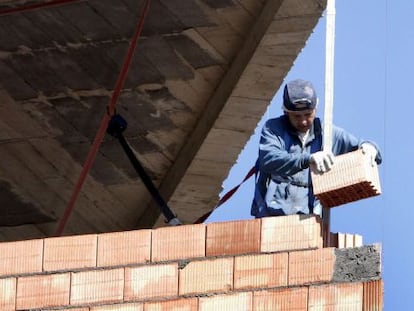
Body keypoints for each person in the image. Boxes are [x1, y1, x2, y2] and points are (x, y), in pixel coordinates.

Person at [251, 79, 382, 218]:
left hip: (309, 218)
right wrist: (308, 159)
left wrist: (370, 148)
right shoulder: (274, 129)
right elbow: (269, 159)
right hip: (273, 215)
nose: (303, 121)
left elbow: (366, 148)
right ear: (286, 112)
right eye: (296, 116)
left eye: (308, 114)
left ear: (316, 108)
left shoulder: (328, 135)